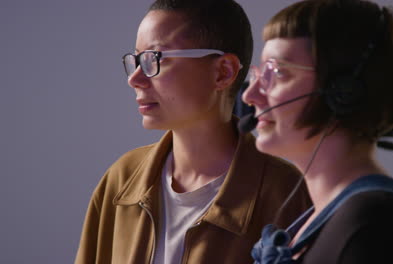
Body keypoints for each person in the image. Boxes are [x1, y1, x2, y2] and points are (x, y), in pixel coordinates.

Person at [74, 0, 311, 263]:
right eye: (137, 59)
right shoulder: (121, 180)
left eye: (155, 59)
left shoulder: (285, 194)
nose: (135, 79)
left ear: (223, 72)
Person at [241, 0, 393, 263]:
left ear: (343, 92)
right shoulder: (319, 224)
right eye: (259, 74)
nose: (250, 95)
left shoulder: (378, 230)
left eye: (278, 72)